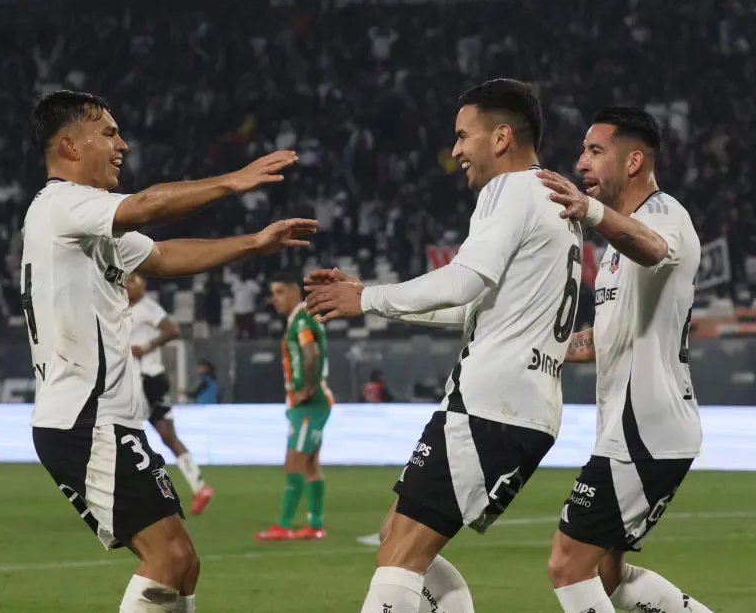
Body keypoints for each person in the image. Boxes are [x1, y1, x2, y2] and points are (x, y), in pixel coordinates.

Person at [21, 90, 316, 613]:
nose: (123, 144)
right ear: (68, 145)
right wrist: (231, 181)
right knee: (167, 557)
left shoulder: (89, 224)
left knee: (182, 562)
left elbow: (161, 255)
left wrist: (252, 243)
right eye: (108, 133)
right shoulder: (62, 204)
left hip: (107, 419)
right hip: (85, 419)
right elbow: (149, 206)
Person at [304, 78, 583, 613]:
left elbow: (462, 282)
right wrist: (369, 296)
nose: (455, 150)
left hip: (490, 404)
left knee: (400, 558)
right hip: (524, 407)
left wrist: (367, 302)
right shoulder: (553, 196)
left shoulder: (510, 189)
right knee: (401, 541)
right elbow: (468, 306)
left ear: (501, 137)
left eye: (462, 136)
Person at [539, 106, 715, 613]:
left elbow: (657, 249)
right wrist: (535, 345)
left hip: (644, 428)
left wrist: (592, 213)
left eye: (595, 151)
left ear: (634, 159)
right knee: (606, 573)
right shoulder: (618, 242)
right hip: (633, 427)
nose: (581, 163)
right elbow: (602, 339)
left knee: (567, 564)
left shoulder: (661, 215)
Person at [127, 272, 214, 516]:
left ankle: (138, 494)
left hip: (143, 379)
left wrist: (145, 347)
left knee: (126, 436)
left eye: (139, 280)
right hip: (147, 379)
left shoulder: (147, 307)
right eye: (131, 279)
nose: (136, 284)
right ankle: (199, 486)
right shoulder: (117, 308)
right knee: (167, 435)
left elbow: (171, 330)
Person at [255, 273, 333, 542]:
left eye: (278, 292)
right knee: (311, 465)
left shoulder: (302, 321)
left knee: (294, 463)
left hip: (310, 405)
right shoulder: (301, 320)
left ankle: (285, 524)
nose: (274, 299)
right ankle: (315, 524)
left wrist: (307, 390)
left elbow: (310, 353)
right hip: (312, 404)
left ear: (293, 292)